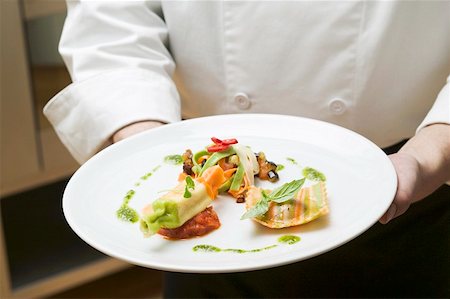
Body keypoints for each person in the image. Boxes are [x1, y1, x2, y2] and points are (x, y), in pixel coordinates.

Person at [44, 1, 449, 297]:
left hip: (405, 189)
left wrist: (430, 150)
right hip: (211, 232)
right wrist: (146, 143)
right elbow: (112, 18)